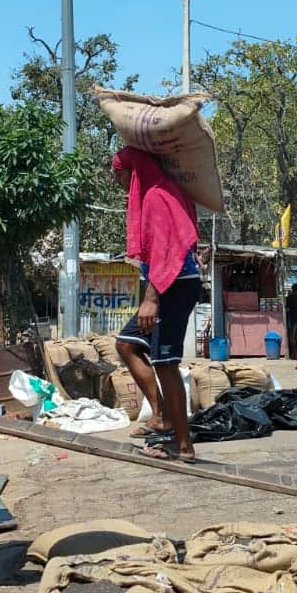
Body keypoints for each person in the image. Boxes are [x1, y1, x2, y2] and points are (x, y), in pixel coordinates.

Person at [112, 148, 202, 463]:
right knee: (127, 345)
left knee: (165, 363)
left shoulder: (156, 196)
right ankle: (161, 414)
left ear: (133, 171)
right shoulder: (158, 192)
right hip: (169, 282)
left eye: (118, 173)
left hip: (172, 286)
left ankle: (183, 444)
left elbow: (166, 252)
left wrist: (151, 298)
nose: (118, 181)